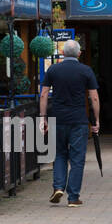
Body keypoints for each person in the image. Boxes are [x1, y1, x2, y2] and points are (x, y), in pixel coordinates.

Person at [39, 39, 99, 207]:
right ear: (79, 54)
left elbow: (44, 94)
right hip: (78, 120)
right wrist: (96, 119)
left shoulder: (53, 69)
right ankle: (73, 197)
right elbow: (94, 97)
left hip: (57, 119)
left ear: (63, 53)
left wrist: (43, 117)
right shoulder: (86, 71)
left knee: (59, 154)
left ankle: (58, 187)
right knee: (77, 158)